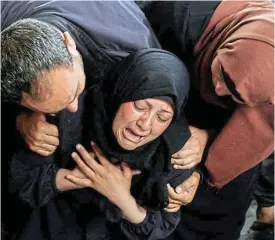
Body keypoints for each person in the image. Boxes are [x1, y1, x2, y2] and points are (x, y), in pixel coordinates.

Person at [1, 2, 203, 235]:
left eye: (77, 90)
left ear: (70, 45)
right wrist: (21, 119)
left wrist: (121, 196)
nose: (73, 107)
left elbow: (166, 91)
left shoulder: (128, 59)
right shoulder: (67, 120)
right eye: (139, 107)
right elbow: (22, 179)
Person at [143, 0, 274, 239]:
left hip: (232, 150)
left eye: (236, 93)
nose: (218, 89)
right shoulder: (179, 15)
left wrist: (210, 142)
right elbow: (140, 84)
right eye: (223, 72)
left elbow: (260, 135)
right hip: (168, 120)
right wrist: (183, 136)